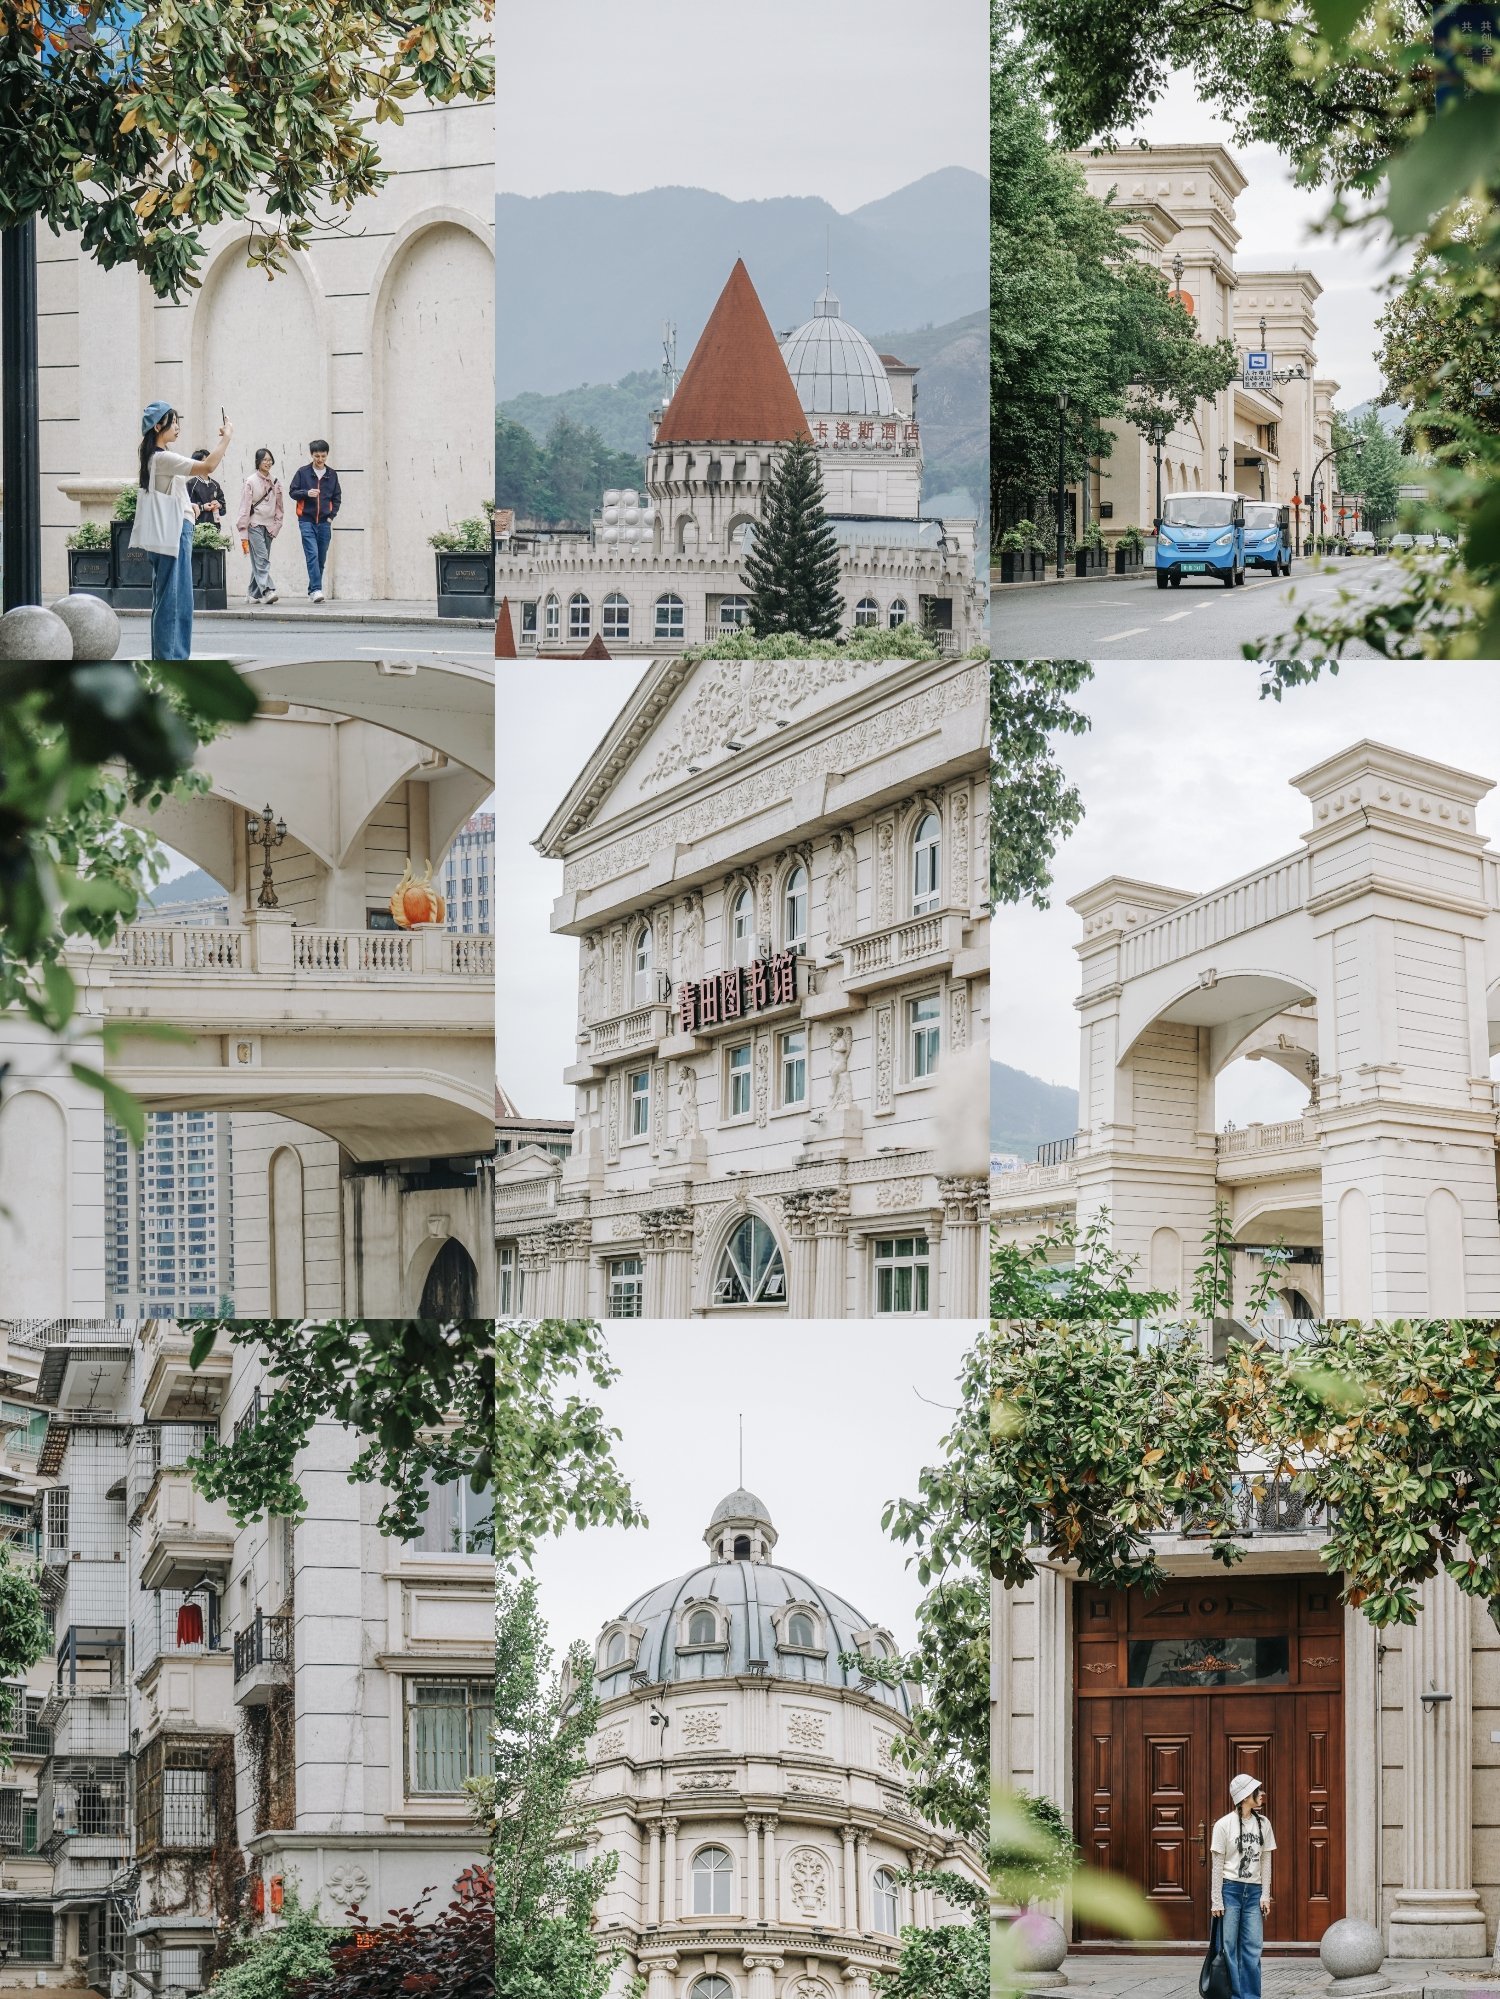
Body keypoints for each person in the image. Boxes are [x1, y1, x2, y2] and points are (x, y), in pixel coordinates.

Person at [131, 401, 233, 660]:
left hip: (168, 532)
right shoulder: (163, 457)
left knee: (167, 599)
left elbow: (172, 494)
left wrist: (191, 509)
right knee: (177, 602)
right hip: (175, 533)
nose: (177, 427)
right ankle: (173, 661)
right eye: (173, 421)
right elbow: (208, 466)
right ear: (158, 426)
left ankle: (165, 659)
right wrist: (227, 438)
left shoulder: (152, 458)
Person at [1210, 1774, 1275, 1999]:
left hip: (1254, 1892)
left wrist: (1265, 1895)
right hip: (1230, 1891)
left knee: (1253, 1948)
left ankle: (1251, 1996)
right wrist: (1216, 1899)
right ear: (1246, 1796)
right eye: (1257, 1791)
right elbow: (1217, 1865)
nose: (1262, 1794)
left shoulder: (1264, 1824)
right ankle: (1235, 1996)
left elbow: (1266, 1860)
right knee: (1229, 1947)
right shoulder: (1222, 1825)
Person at [288, 437, 342, 601]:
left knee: (321, 557)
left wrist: (331, 517)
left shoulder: (332, 474)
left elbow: (337, 497)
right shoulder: (303, 472)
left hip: (325, 522)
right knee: (312, 554)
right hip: (306, 520)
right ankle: (317, 589)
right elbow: (292, 492)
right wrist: (306, 493)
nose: (320, 459)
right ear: (312, 455)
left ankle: (312, 590)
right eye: (317, 456)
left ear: (327, 455)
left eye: (323, 456)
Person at [235, 448, 285, 605]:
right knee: (262, 558)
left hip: (269, 526)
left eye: (270, 459)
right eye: (264, 459)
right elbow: (245, 507)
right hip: (254, 524)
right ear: (258, 462)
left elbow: (279, 506)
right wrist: (243, 529)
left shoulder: (275, 481)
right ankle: (268, 590)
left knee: (259, 560)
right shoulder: (250, 481)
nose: (268, 462)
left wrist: (277, 526)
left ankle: (252, 593)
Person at [186, 449, 227, 527]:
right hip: (197, 530)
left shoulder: (215, 485)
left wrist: (219, 505)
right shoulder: (191, 484)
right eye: (205, 461)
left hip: (214, 529)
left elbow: (223, 510)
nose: (209, 464)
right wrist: (202, 507)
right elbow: (186, 507)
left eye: (210, 461)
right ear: (197, 463)